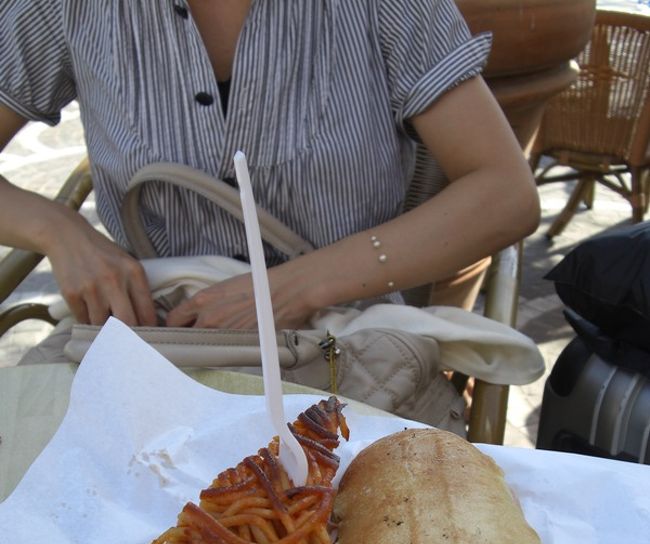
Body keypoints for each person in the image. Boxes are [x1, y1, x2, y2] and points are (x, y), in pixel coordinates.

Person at [0, 0, 540, 360]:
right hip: (151, 348)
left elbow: (503, 192)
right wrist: (60, 232)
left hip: (333, 354)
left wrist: (290, 289)